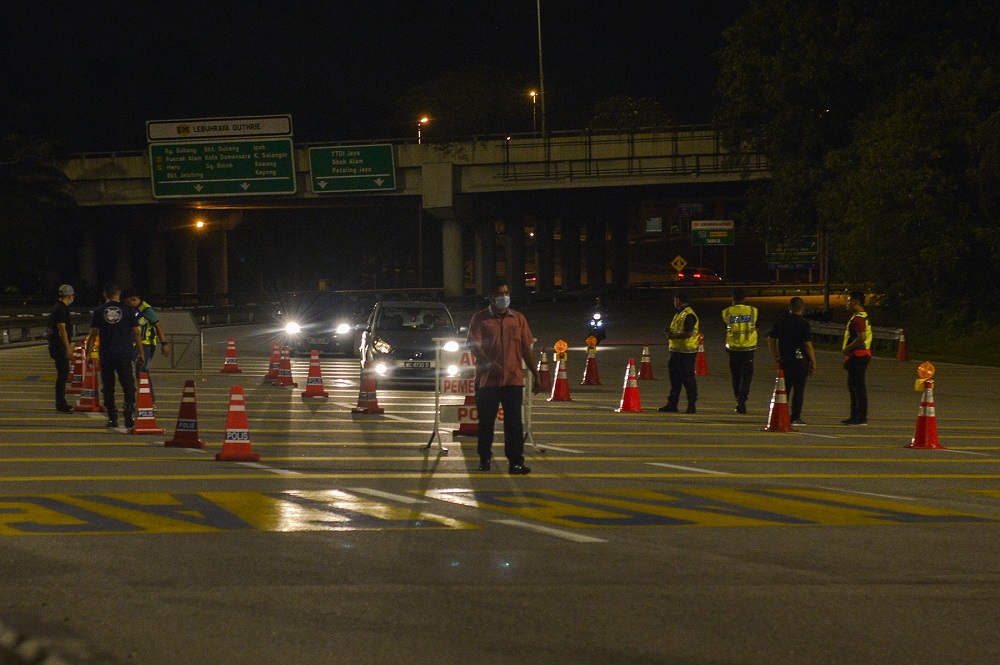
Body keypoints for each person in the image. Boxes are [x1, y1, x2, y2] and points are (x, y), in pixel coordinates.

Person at [466, 280, 541, 475]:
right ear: (491, 297)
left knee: (514, 423)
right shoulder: (480, 319)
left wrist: (536, 374)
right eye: (500, 293)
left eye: (507, 293)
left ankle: (516, 462)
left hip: (513, 380)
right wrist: (490, 364)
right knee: (486, 422)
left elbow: (526, 348)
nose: (504, 297)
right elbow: (474, 345)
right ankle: (484, 458)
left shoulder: (518, 319)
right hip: (487, 381)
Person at [85, 283, 145, 429]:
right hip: (124, 352)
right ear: (119, 294)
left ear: (105, 294)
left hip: (106, 353)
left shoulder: (99, 311)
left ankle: (112, 417)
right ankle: (129, 410)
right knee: (128, 385)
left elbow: (93, 334)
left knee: (108, 386)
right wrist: (141, 352)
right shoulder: (128, 310)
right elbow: (136, 332)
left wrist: (88, 354)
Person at [767, 297, 816, 425]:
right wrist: (813, 361)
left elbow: (770, 339)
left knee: (784, 389)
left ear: (790, 307)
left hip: (785, 360)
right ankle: (795, 417)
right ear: (802, 308)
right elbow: (807, 345)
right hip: (800, 361)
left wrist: (776, 355)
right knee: (799, 390)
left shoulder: (781, 321)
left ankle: (780, 414)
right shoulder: (803, 323)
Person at [122, 286, 170, 403]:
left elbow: (158, 327)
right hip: (132, 345)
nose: (125, 304)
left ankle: (150, 401)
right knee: (132, 373)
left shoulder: (147, 310)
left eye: (127, 301)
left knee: (142, 372)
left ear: (134, 299)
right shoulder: (129, 310)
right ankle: (136, 400)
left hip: (147, 345)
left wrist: (164, 343)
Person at [659, 291, 699, 414]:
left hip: (686, 352)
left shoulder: (688, 315)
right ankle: (672, 404)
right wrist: (670, 332)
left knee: (688, 379)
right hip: (676, 351)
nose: (674, 302)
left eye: (675, 300)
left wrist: (672, 335)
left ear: (679, 300)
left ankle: (691, 405)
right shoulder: (679, 314)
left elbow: (688, 333)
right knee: (675, 380)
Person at [721, 287, 758, 413]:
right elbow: (756, 327)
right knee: (747, 377)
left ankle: (738, 399)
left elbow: (726, 327)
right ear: (744, 298)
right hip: (749, 348)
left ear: (733, 298)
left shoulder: (727, 312)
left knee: (736, 376)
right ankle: (742, 400)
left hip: (734, 349)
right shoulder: (753, 311)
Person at [842, 291, 872, 425]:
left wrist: (847, 348)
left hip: (859, 356)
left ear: (855, 302)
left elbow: (862, 337)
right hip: (857, 355)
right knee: (853, 385)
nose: (847, 304)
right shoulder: (861, 316)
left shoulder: (858, 319)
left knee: (858, 386)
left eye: (848, 301)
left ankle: (861, 417)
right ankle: (854, 415)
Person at [47, 284, 77, 413]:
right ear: (70, 296)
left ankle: (61, 402)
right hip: (59, 346)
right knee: (63, 374)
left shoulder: (57, 307)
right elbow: (62, 330)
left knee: (62, 374)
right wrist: (67, 348)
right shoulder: (62, 309)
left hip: (55, 345)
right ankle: (61, 403)